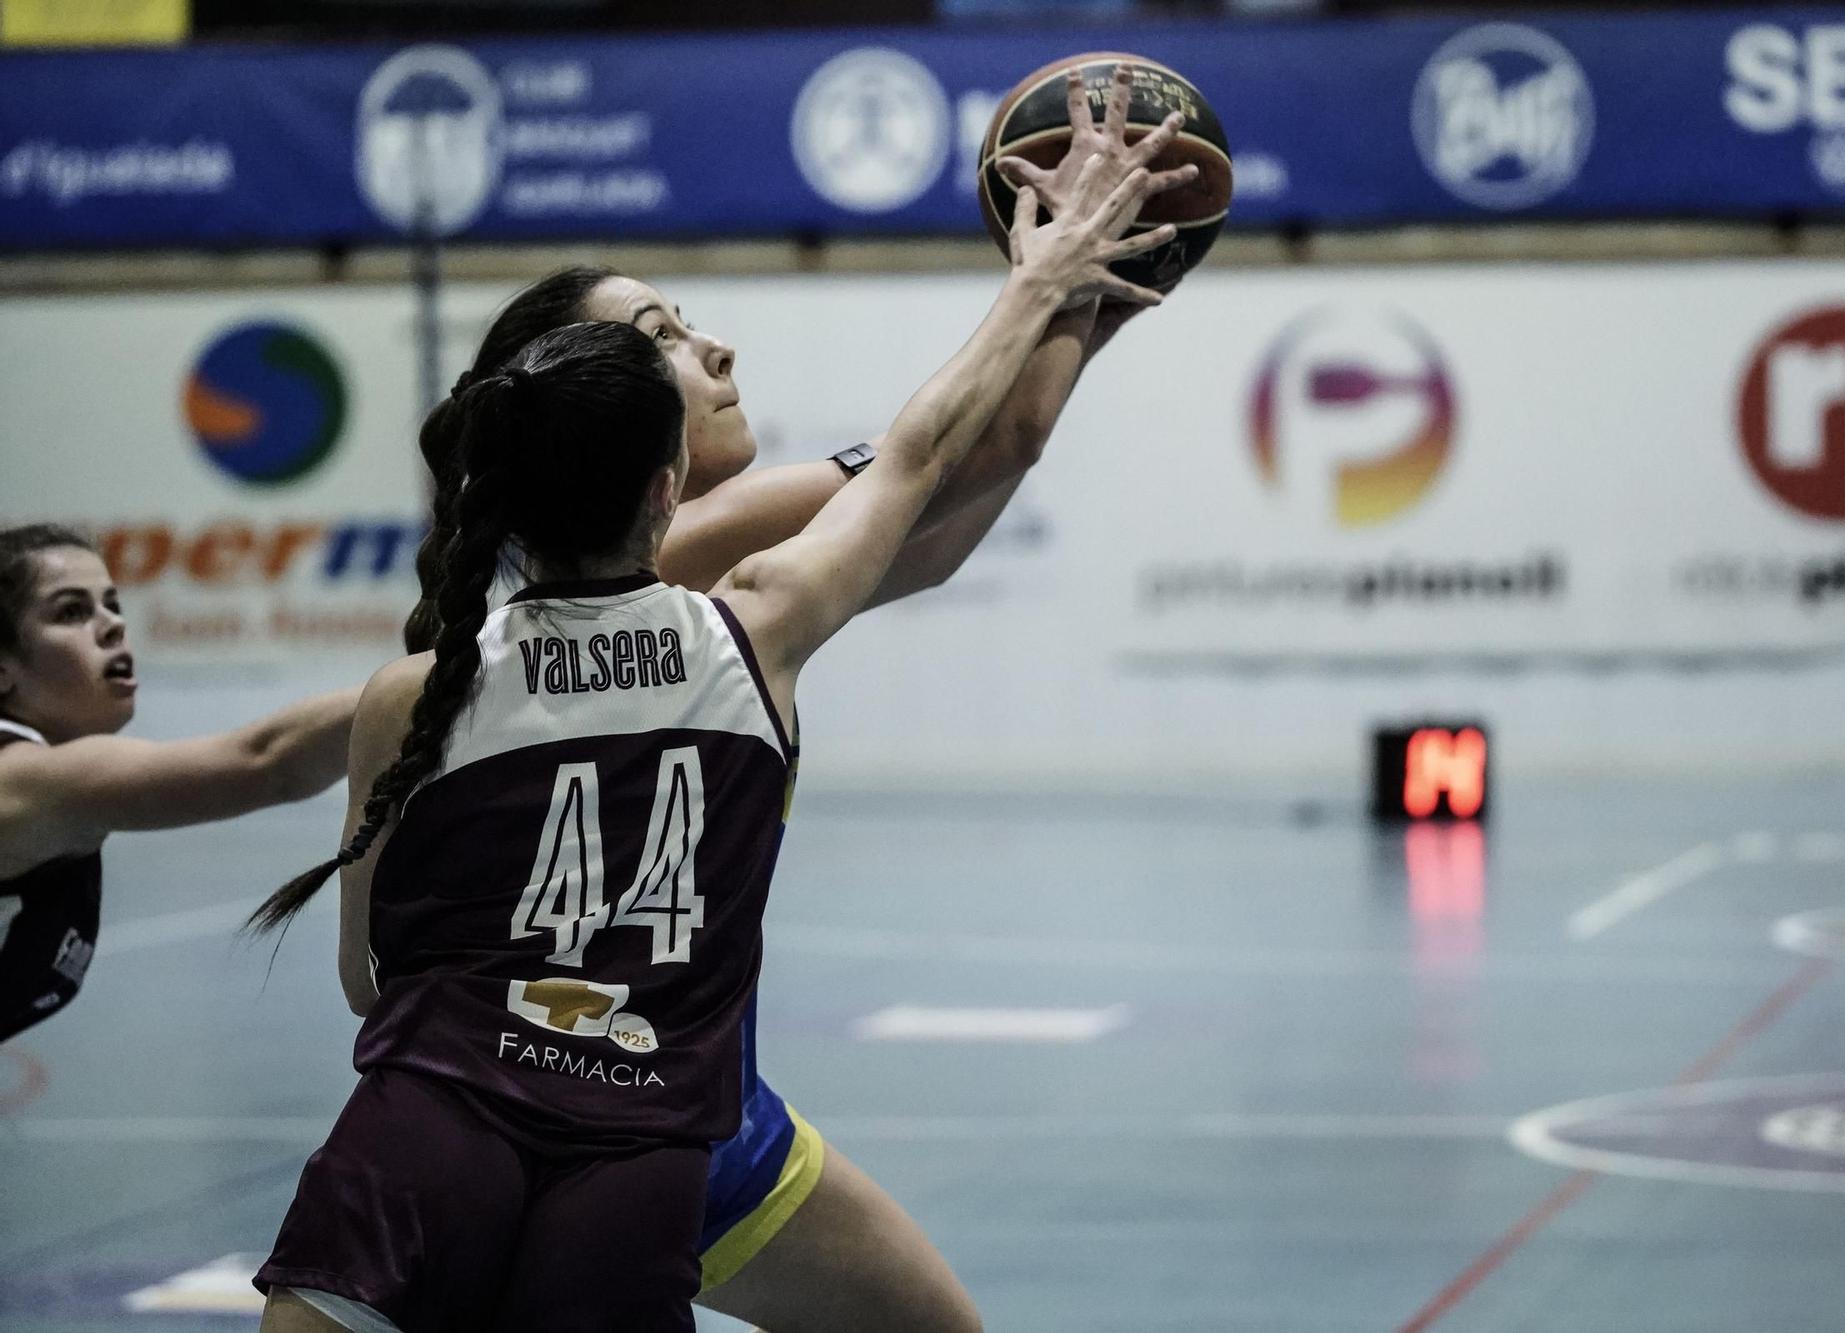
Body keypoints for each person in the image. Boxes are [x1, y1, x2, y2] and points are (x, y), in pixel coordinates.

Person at [247, 158, 1173, 1332]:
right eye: (658, 338)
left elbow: (361, 981)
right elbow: (934, 457)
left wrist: (1073, 297)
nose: (712, 349)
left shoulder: (434, 672)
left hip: (526, 1103)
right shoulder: (719, 580)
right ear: (652, 467)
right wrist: (1054, 275)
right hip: (653, 1109)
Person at [0, 524, 356, 1045]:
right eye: (71, 612)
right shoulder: (24, 783)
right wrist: (441, 677)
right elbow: (267, 762)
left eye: (112, 605)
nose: (113, 627)